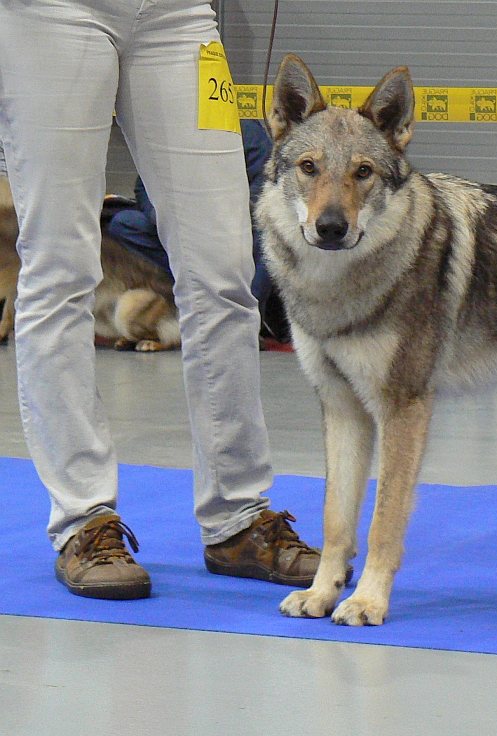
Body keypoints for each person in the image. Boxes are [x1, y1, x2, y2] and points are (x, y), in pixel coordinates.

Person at [0, 0, 319, 600]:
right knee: (60, 267)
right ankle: (82, 519)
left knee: (224, 271)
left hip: (178, 16)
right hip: (52, 13)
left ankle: (237, 519)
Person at [107, 118, 275, 313]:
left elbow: (265, 185)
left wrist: (222, 216)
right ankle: (194, 286)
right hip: (185, 226)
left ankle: (248, 315)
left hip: (234, 226)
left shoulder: (244, 131)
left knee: (269, 235)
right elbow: (143, 187)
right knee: (124, 223)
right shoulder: (169, 135)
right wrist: (164, 216)